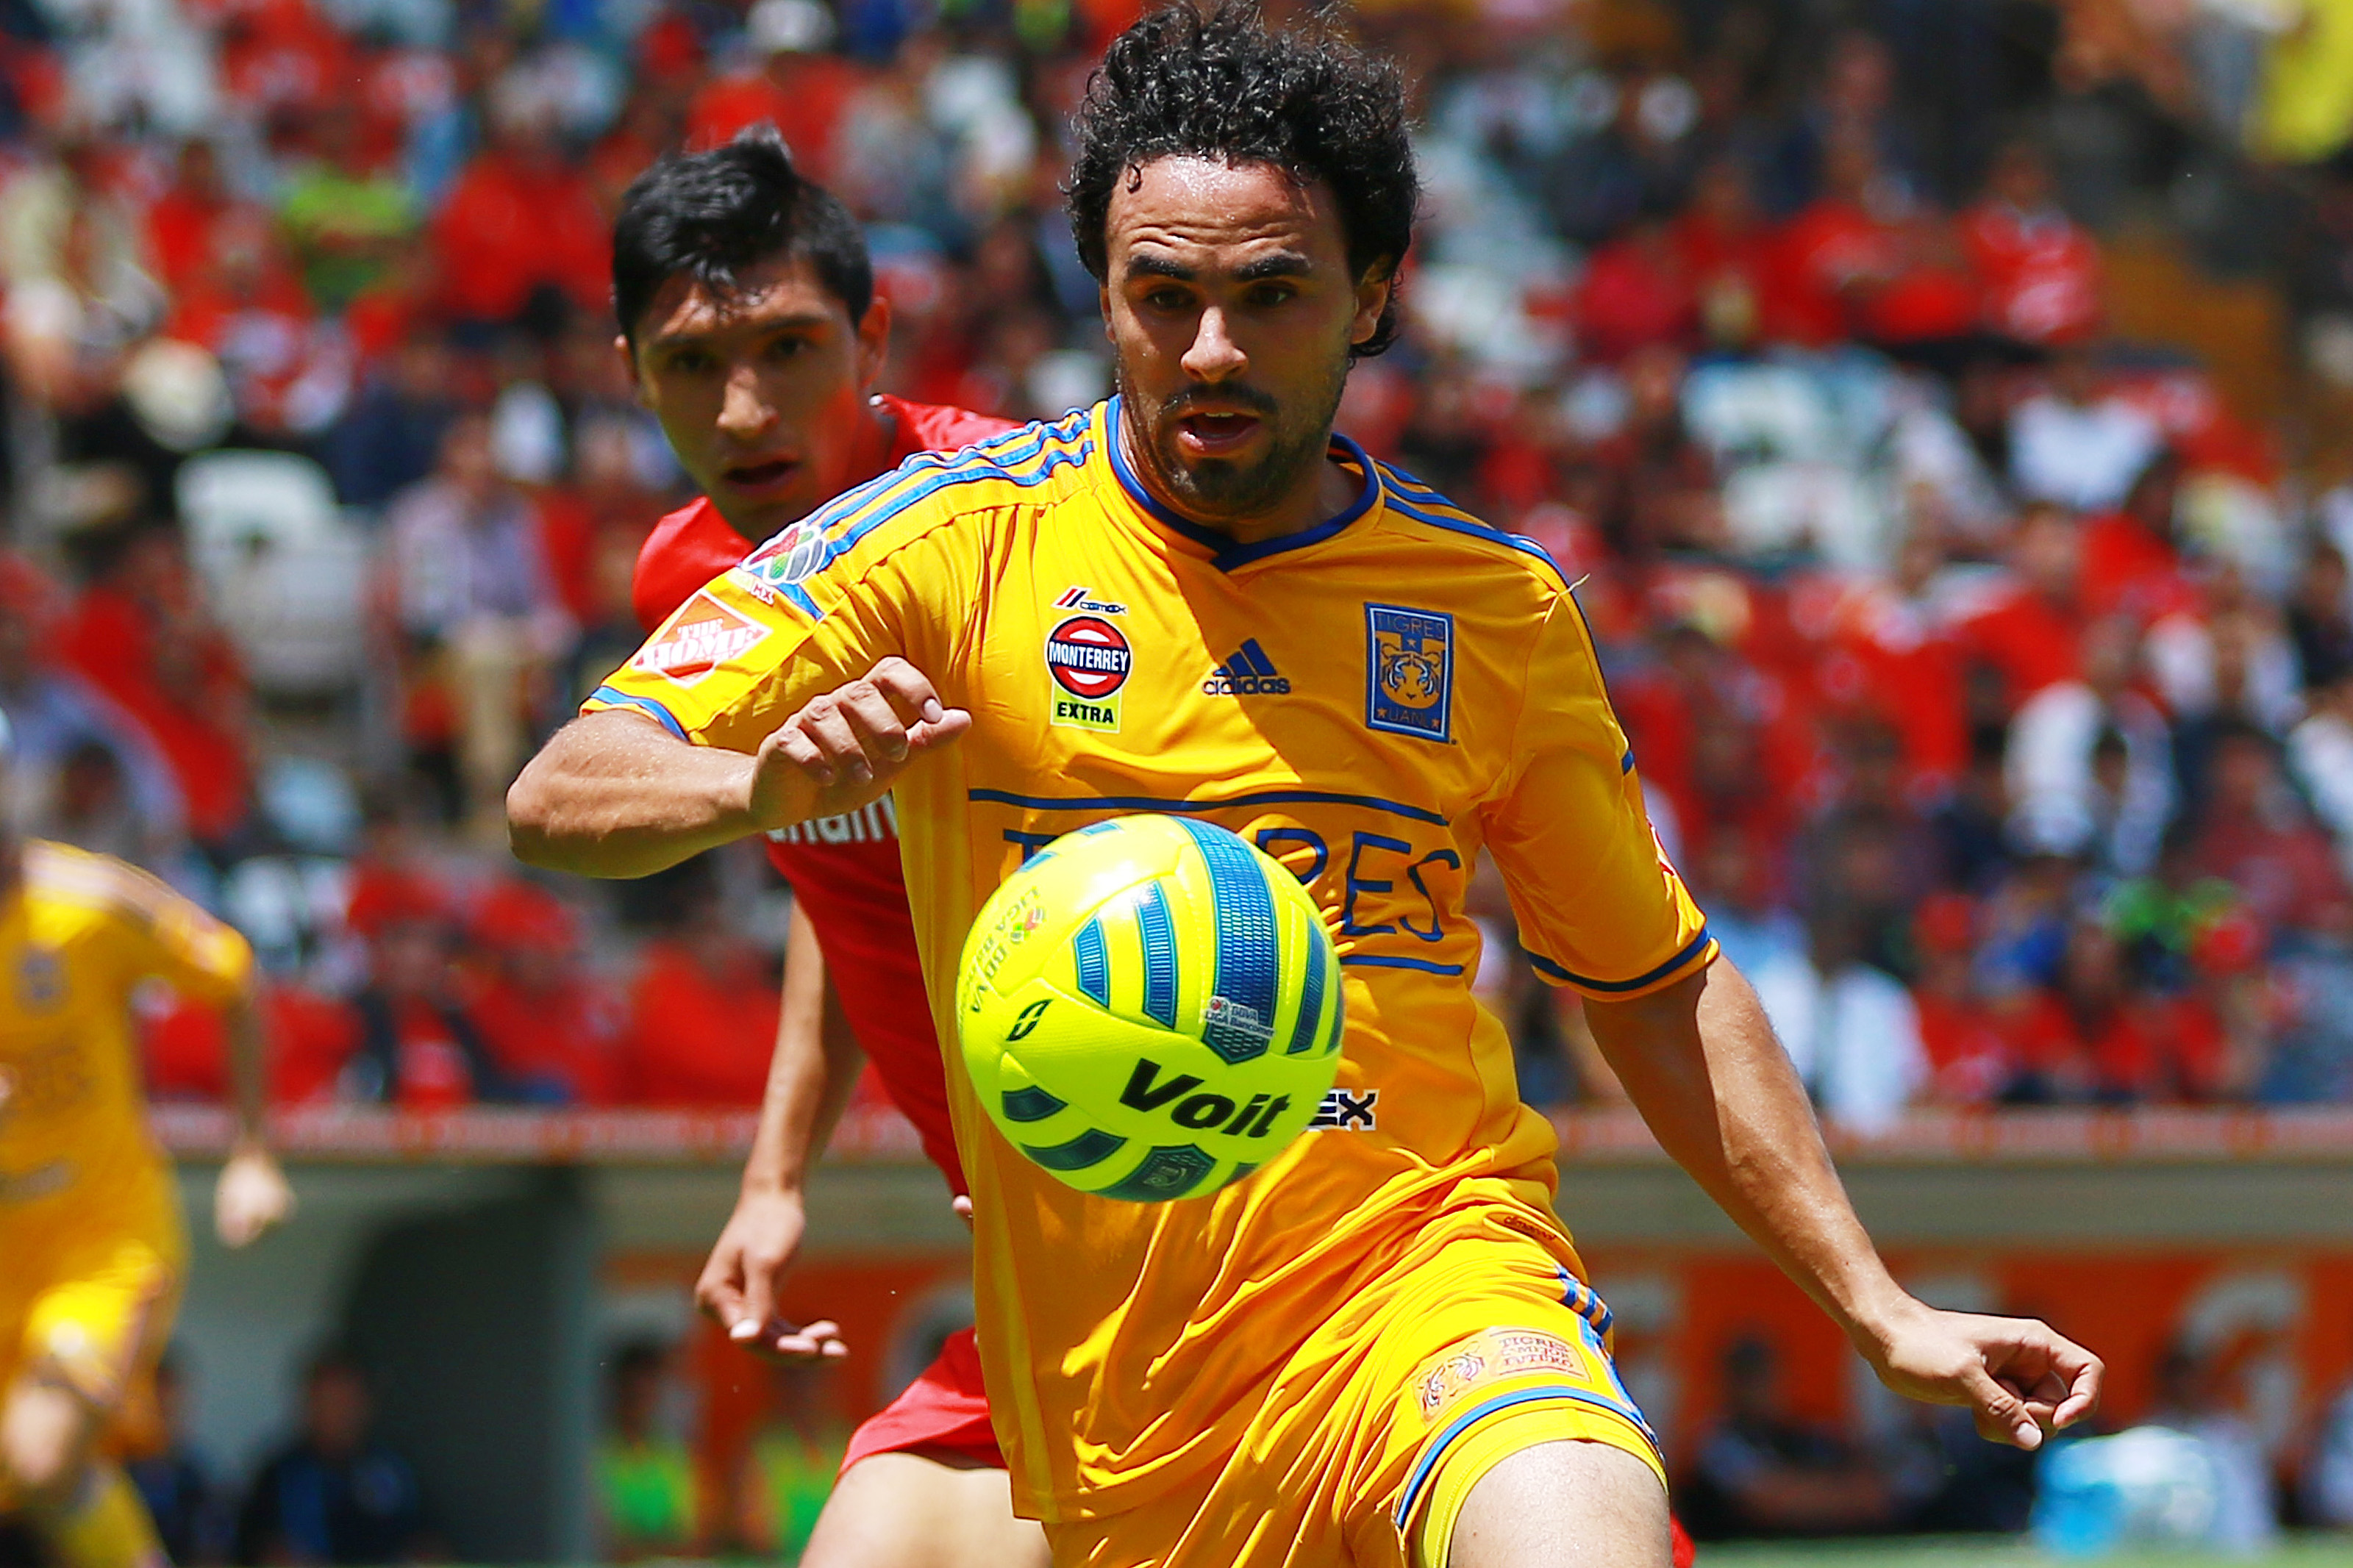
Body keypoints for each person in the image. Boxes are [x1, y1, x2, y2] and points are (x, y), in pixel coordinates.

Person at [510, 11, 2105, 1568]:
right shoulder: (943, 543)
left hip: (1433, 1292)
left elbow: (1654, 981)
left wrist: (1874, 1301)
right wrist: (753, 781)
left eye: (1269, 295)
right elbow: (563, 787)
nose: (1209, 351)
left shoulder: (1493, 609)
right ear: (1103, 296)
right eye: (1162, 297)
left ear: (1371, 297)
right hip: (1111, 1409)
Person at [605, 129, 1033, 1565]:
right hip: (1034, 1260)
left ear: (873, 334)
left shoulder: (1020, 529)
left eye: (789, 348)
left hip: (1231, 1212)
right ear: (630, 373)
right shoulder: (690, 584)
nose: (745, 411)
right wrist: (775, 1174)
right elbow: (842, 879)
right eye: (690, 365)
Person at [0, 711, 293, 1568]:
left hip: (100, 1242)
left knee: (36, 1454)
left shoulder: (92, 905)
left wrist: (252, 1155)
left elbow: (234, 980)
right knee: (40, 1473)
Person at [233, 1352, 425, 1566]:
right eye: (328, 1400)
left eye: (348, 1400)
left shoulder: (393, 1469)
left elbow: (424, 1542)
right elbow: (252, 1548)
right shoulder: (279, 1473)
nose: (339, 1412)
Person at [594, 1340, 699, 1561]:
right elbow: (603, 1541)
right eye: (633, 1391)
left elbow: (697, 1536)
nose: (641, 1399)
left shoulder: (673, 1454)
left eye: (648, 1389)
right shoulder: (598, 1454)